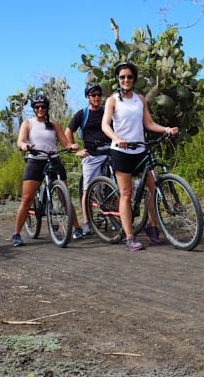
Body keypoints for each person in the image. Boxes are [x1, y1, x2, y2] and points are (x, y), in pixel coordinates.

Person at [102, 62, 178, 252]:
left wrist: (166, 129)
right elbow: (105, 125)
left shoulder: (140, 99)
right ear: (118, 79)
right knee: (126, 194)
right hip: (121, 152)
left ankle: (151, 227)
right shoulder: (113, 100)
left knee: (154, 188)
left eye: (129, 76)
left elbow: (149, 123)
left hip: (140, 150)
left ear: (134, 79)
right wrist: (117, 138)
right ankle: (129, 237)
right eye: (122, 77)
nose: (126, 80)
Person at [11, 93, 82, 247]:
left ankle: (77, 228)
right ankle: (16, 234)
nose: (40, 109)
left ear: (47, 108)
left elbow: (65, 143)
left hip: (53, 160)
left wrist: (72, 146)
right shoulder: (28, 123)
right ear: (34, 109)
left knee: (65, 198)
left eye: (43, 106)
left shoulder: (53, 124)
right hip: (35, 161)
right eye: (37, 107)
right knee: (27, 200)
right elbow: (20, 140)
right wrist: (23, 146)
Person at [68, 82, 113, 236]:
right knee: (88, 190)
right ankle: (87, 222)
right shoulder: (83, 113)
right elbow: (69, 131)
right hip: (91, 155)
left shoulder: (106, 112)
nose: (97, 97)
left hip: (108, 154)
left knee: (114, 186)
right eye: (93, 95)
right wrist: (75, 149)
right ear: (87, 97)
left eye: (99, 95)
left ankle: (115, 217)